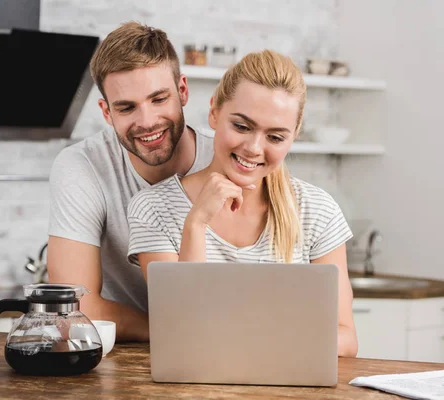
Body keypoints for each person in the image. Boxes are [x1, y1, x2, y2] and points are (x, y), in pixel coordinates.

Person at [126, 49, 359, 357]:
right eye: (242, 126)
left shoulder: (316, 210)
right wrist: (196, 224)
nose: (253, 148)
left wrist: (246, 341)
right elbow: (182, 333)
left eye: (275, 138)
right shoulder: (154, 208)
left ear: (293, 136)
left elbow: (346, 339)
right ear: (214, 112)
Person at [46, 21, 215, 342]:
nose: (147, 121)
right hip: (131, 350)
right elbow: (72, 307)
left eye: (159, 99)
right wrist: (180, 333)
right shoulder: (81, 165)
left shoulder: (225, 156)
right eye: (126, 107)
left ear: (182, 91)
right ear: (107, 113)